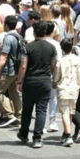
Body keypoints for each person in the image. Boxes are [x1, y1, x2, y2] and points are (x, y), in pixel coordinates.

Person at [17, 20, 59, 148]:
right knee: (41, 110)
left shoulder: (28, 47)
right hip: (45, 81)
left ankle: (24, 133)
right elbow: (53, 65)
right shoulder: (51, 47)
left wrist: (19, 81)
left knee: (27, 110)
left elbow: (23, 65)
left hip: (30, 81)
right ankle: (37, 138)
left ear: (34, 32)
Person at [0, 14, 25, 127]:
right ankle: (19, 116)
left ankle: (10, 115)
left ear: (6, 25)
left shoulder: (8, 37)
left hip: (8, 70)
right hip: (18, 70)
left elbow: (4, 56)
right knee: (15, 93)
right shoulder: (19, 37)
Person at [55, 36, 80, 147]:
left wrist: (54, 83)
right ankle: (66, 133)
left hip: (63, 88)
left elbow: (56, 76)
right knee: (71, 111)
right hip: (75, 89)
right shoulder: (78, 59)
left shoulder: (61, 61)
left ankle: (67, 135)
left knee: (65, 112)